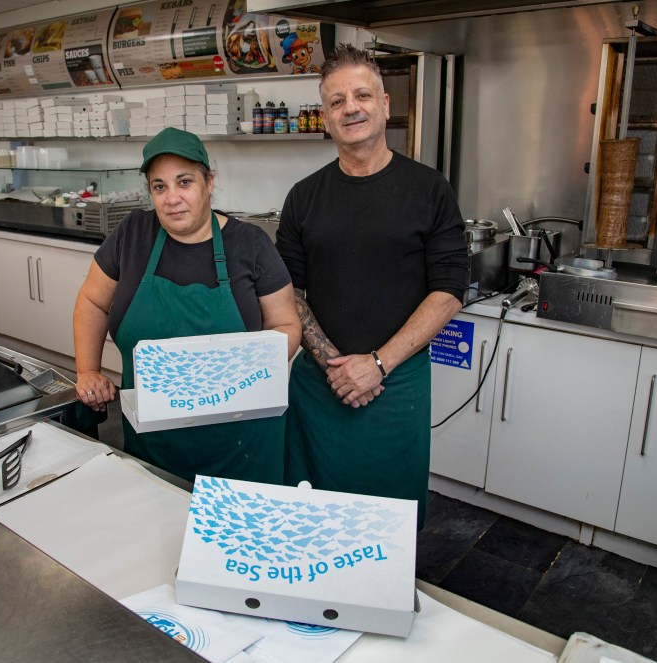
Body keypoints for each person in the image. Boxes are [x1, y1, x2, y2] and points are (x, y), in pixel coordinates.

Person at [275, 44, 468, 529]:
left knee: (388, 522)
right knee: (310, 515)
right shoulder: (302, 197)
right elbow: (289, 294)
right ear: (325, 117)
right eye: (336, 101)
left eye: (362, 95)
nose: (350, 108)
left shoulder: (429, 190)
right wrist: (338, 367)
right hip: (320, 387)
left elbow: (448, 291)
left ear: (385, 104)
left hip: (396, 383)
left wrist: (379, 363)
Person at [73, 127, 301, 484]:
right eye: (159, 187)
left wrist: (228, 374)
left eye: (185, 182)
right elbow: (91, 301)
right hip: (155, 443)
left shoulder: (250, 244)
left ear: (209, 182)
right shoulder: (133, 234)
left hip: (240, 446)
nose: (172, 198)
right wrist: (87, 369)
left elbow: (287, 326)